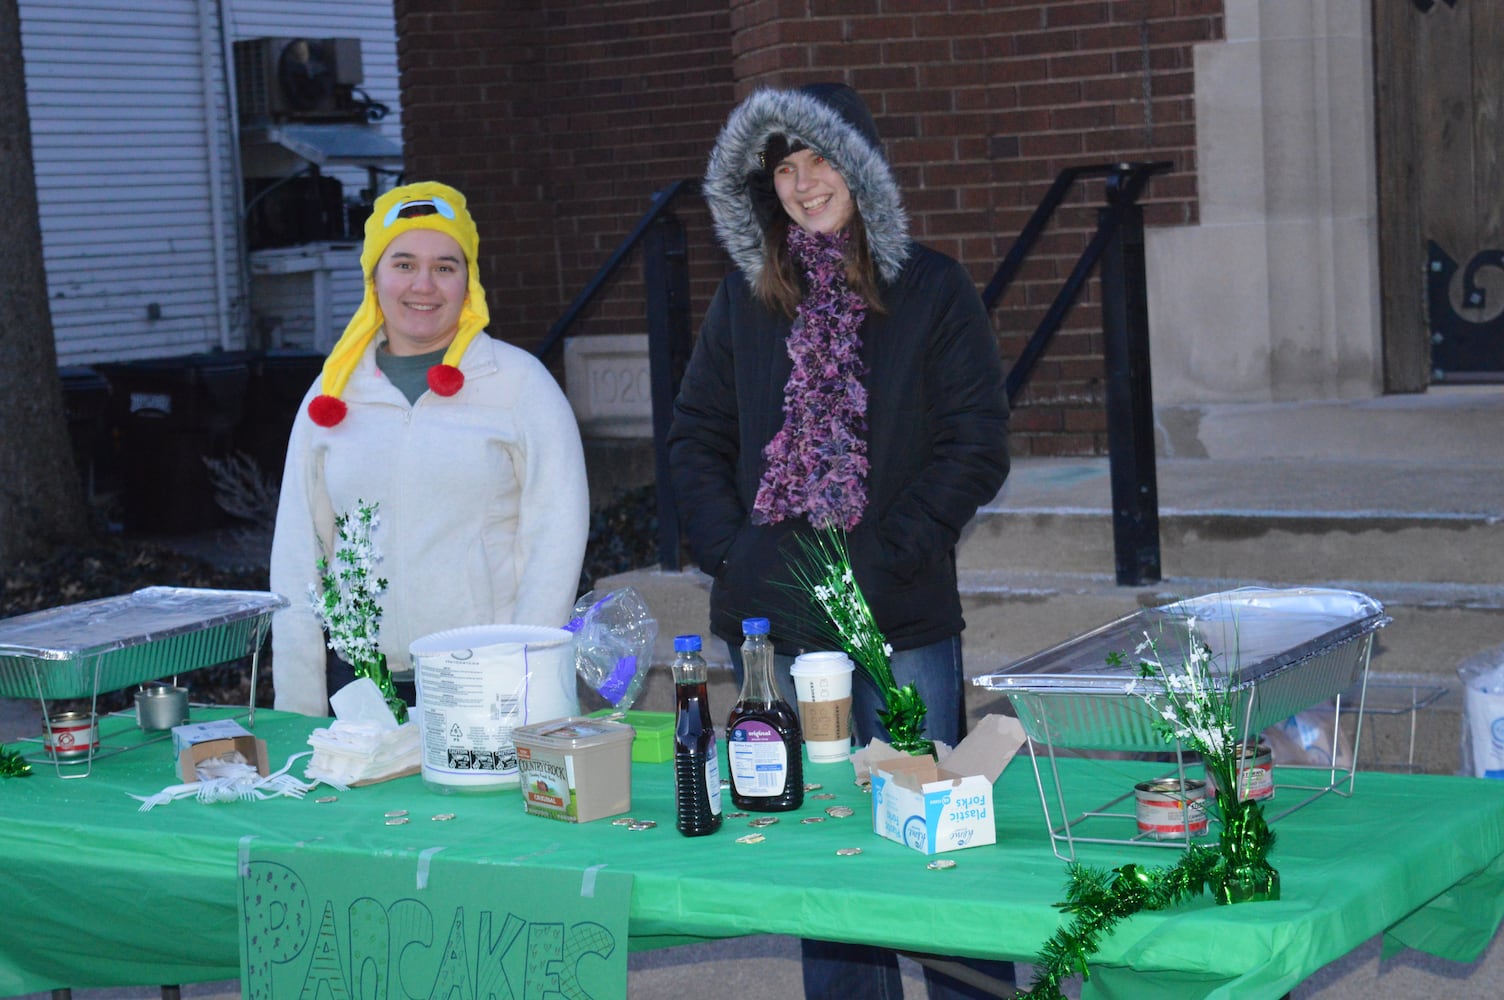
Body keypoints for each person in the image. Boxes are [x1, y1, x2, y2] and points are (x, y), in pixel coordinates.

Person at [667, 84, 1012, 999]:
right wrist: (733, 552)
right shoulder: (747, 299)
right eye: (783, 168)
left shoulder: (932, 288)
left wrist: (887, 552)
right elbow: (697, 432)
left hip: (899, 614)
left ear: (860, 165)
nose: (803, 184)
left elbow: (976, 441)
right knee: (820, 845)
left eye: (819, 161)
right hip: (773, 627)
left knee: (939, 832)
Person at [269, 180, 589, 717]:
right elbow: (298, 555)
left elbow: (555, 540)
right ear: (374, 277)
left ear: (469, 282)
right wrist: (299, 709)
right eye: (403, 264)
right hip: (361, 688)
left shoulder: (518, 385)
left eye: (445, 265)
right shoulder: (331, 394)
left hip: (486, 680)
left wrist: (519, 672)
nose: (425, 284)